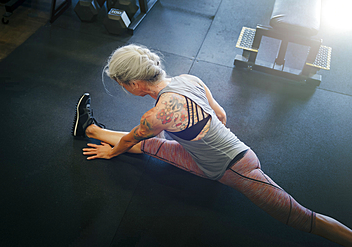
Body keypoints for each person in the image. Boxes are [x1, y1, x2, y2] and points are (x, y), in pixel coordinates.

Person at [72, 44, 352, 246]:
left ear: (134, 83)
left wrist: (111, 154)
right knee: (153, 146)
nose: (124, 89)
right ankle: (89, 127)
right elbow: (220, 115)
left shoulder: (156, 116)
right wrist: (207, 139)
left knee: (303, 219)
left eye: (122, 85)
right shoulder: (188, 79)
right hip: (227, 155)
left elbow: (130, 140)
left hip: (235, 171)